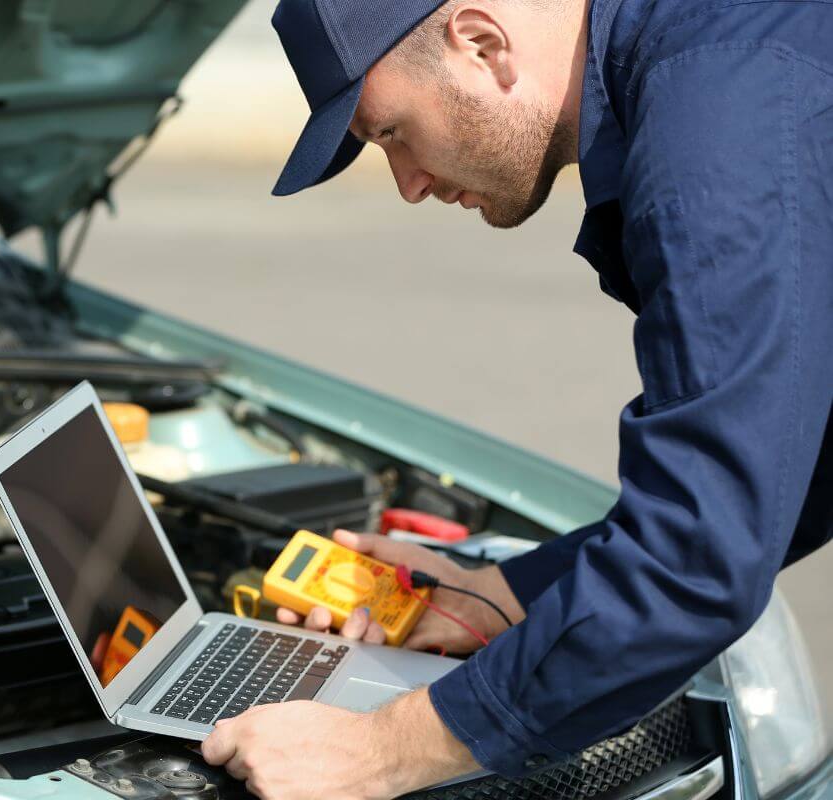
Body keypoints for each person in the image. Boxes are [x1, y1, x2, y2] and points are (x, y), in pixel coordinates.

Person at [199, 0, 833, 797]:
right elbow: (796, 466)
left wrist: (381, 751)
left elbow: (697, 561)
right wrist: (503, 597)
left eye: (391, 133)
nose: (408, 184)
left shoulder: (716, 132)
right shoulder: (725, 44)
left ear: (482, 43)